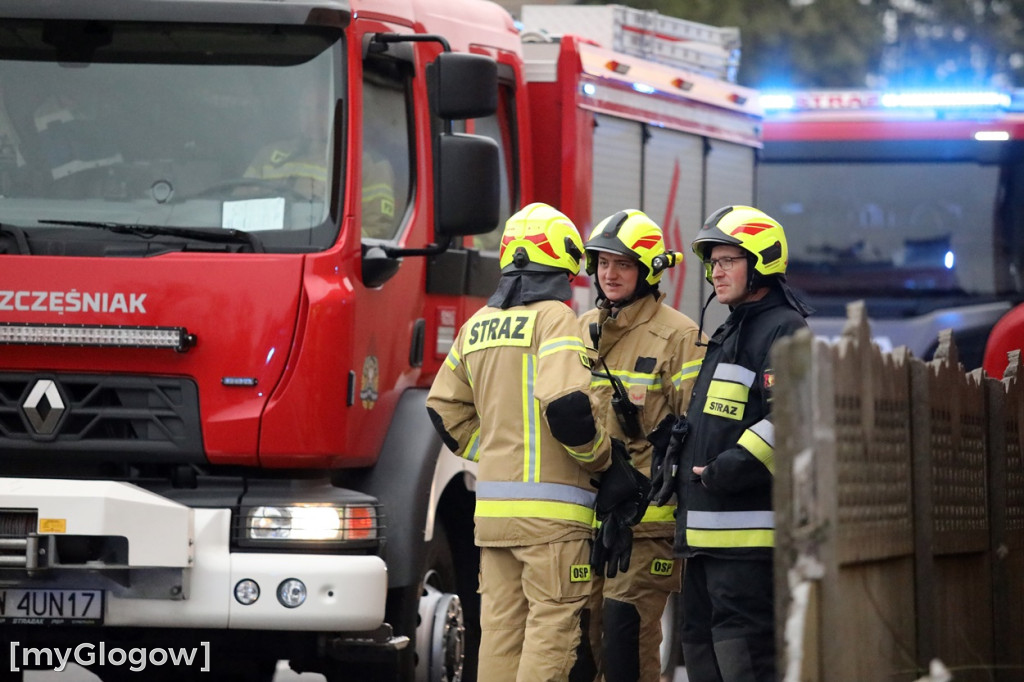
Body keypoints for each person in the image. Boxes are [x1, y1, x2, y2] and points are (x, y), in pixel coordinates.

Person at [426, 202, 648, 682]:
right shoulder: (555, 319)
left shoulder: (476, 326)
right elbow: (566, 406)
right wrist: (604, 462)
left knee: (500, 637)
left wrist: (497, 449)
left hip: (493, 518)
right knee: (551, 634)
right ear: (561, 262)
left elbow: (442, 410)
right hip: (553, 522)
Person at [658, 205, 813, 682]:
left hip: (747, 542)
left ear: (761, 263)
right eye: (713, 262)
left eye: (727, 260)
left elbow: (787, 417)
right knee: (699, 650)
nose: (716, 272)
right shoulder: (731, 329)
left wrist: (727, 468)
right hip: (704, 541)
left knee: (745, 660)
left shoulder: (784, 328)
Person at [578, 209, 706, 682]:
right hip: (587, 520)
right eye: (602, 263)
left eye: (623, 264)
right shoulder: (582, 329)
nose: (609, 274)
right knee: (582, 643)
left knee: (626, 638)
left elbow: (697, 433)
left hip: (647, 523)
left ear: (648, 271)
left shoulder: (681, 336)